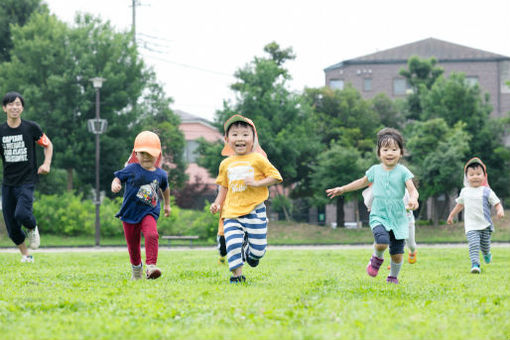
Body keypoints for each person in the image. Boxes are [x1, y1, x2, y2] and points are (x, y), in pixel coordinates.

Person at [326, 128, 419, 284]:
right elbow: (361, 183)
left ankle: (393, 277)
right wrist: (342, 189)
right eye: (386, 149)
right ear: (379, 153)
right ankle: (376, 258)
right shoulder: (374, 170)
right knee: (382, 241)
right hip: (379, 214)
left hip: (398, 216)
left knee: (397, 254)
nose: (390, 153)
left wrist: (414, 199)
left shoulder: (403, 171)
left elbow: (412, 190)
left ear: (401, 153)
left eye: (394, 149)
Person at [210, 114, 282, 283]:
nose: (240, 138)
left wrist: (258, 183)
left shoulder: (258, 159)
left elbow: (276, 177)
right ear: (227, 139)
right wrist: (217, 204)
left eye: (244, 134)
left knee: (258, 251)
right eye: (235, 135)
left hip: (255, 211)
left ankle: (252, 254)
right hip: (232, 212)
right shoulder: (225, 164)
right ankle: (237, 277)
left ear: (253, 138)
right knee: (233, 244)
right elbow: (224, 188)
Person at [0, 91, 53, 263]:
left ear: (22, 108)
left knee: (22, 213)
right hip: (8, 182)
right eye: (11, 104)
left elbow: (47, 144)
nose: (14, 107)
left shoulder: (31, 128)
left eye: (18, 104)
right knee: (12, 226)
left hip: (26, 180)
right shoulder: (1, 131)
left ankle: (32, 227)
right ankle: (26, 255)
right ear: (4, 108)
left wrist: (46, 164)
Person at [111, 131, 171, 280]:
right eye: (142, 153)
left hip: (149, 211)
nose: (146, 156)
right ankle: (136, 270)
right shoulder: (131, 169)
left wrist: (167, 205)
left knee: (152, 234)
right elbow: (118, 177)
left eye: (150, 153)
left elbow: (165, 188)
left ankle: (151, 266)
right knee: (133, 245)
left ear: (158, 154)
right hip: (130, 213)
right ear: (135, 154)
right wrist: (115, 184)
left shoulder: (161, 174)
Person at [446, 157, 504, 274]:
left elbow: (496, 203)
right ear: (467, 177)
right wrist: (451, 215)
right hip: (471, 226)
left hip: (485, 225)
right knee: (473, 244)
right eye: (471, 174)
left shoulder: (487, 191)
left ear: (484, 176)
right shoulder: (465, 191)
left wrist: (500, 210)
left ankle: (487, 254)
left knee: (485, 246)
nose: (475, 177)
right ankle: (475, 264)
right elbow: (459, 205)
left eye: (478, 174)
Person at [362, 185, 418, 265]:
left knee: (411, 244)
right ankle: (376, 260)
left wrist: (407, 207)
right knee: (380, 240)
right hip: (388, 221)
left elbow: (413, 205)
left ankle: (412, 252)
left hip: (406, 222)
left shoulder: (405, 192)